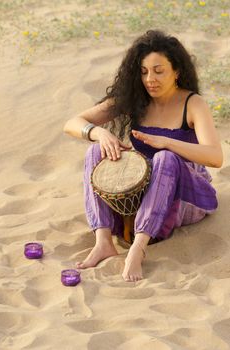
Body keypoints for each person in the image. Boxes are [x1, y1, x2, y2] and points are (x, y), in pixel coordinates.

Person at [63, 30, 223, 283]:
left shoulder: (193, 104)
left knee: (166, 158)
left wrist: (167, 143)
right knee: (96, 149)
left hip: (188, 195)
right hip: (149, 191)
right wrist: (98, 134)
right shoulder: (136, 99)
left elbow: (216, 157)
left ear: (177, 71)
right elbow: (72, 123)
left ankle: (138, 248)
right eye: (144, 71)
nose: (150, 79)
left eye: (159, 71)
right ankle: (103, 241)